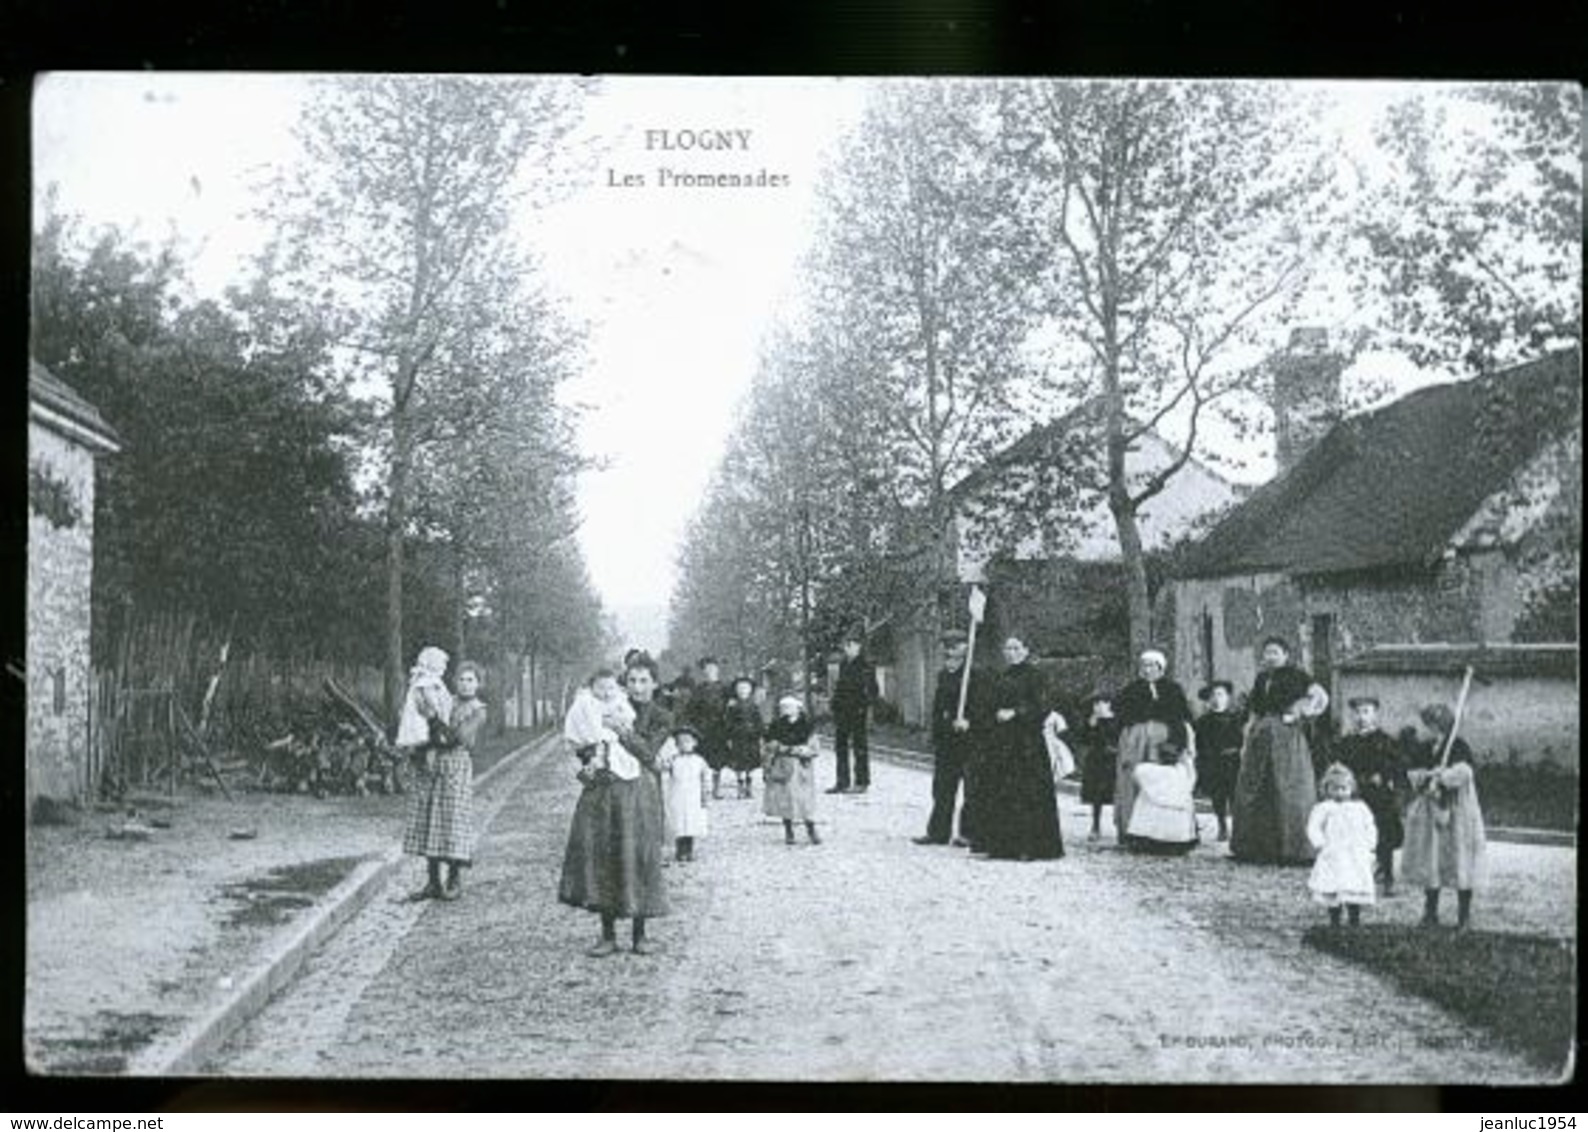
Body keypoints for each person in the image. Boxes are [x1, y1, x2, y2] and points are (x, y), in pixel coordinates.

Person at [558, 655, 672, 956]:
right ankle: (607, 934)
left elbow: (648, 753)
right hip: (605, 789)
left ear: (655, 684)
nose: (637, 687)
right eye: (632, 680)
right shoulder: (601, 702)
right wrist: (591, 758)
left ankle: (640, 933)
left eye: (644, 680)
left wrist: (621, 730)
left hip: (639, 791)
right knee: (603, 854)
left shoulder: (661, 716)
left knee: (638, 855)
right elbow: (582, 742)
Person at [1229, 636, 1329, 865]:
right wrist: (1249, 732)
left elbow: (1320, 696)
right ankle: (1257, 848)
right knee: (1257, 786)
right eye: (1267, 653)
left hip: (1286, 736)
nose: (1271, 657)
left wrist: (1299, 713)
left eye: (1275, 652)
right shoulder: (1262, 678)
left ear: (1285, 655)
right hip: (1261, 737)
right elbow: (1255, 708)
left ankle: (1293, 849)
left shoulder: (1297, 676)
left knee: (1288, 787)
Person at [401, 655, 486, 901]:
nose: (465, 684)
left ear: (478, 683)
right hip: (433, 764)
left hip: (456, 765)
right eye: (461, 679)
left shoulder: (478, 711)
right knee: (429, 818)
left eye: (471, 680)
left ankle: (454, 879)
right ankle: (432, 881)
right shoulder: (445, 698)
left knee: (452, 821)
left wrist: (432, 719)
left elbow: (454, 738)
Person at [1402, 703, 1487, 930]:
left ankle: (1464, 916)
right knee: (1432, 860)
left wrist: (1443, 777)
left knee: (1460, 859)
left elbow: (1465, 773)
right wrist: (1425, 776)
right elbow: (1413, 772)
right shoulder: (1425, 748)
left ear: (1438, 726)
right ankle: (1430, 912)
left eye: (1427, 726)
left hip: (1457, 811)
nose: (1424, 730)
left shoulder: (1458, 746)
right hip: (1431, 810)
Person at [979, 636, 1064, 861]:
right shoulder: (1002, 676)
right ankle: (1002, 846)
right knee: (1003, 791)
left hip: (1027, 743)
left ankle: (1030, 847)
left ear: (1026, 650)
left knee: (1028, 793)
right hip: (1003, 742)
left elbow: (1043, 705)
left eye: (1016, 648)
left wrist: (1016, 712)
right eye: (1007, 648)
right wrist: (994, 714)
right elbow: (990, 703)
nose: (1011, 652)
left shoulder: (1036, 676)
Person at [914, 629, 991, 847]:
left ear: (965, 648)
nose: (950, 651)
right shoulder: (943, 676)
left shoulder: (975, 676)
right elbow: (939, 708)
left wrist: (970, 721)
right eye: (947, 647)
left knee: (971, 789)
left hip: (969, 740)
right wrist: (934, 732)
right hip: (947, 740)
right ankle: (938, 832)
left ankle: (968, 832)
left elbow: (984, 708)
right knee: (942, 788)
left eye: (956, 646)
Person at [1114, 649, 1194, 840]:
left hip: (1163, 740)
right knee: (1132, 779)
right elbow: (1121, 716)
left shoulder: (1172, 689)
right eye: (1144, 665)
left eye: (1152, 665)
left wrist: (1176, 744)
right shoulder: (1131, 690)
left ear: (1161, 668)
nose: (1147, 670)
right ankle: (1130, 829)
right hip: (1135, 739)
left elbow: (1180, 718)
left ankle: (1163, 832)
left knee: (1162, 782)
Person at [1333, 695, 1408, 895]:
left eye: (1366, 712)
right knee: (1351, 834)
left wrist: (1384, 776)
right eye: (1357, 712)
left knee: (1383, 834)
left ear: (1375, 714)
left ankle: (1387, 876)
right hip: (1355, 793)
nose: (1361, 717)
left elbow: (1398, 766)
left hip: (1379, 796)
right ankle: (1352, 876)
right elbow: (1339, 766)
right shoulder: (1347, 742)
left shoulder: (1385, 741)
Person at [1307, 762, 1378, 928]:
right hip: (1334, 852)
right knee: (1333, 884)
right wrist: (1320, 843)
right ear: (1327, 789)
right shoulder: (1324, 808)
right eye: (1335, 788)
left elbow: (1369, 825)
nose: (1340, 792)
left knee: (1354, 883)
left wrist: (1370, 845)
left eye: (1343, 788)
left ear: (1351, 788)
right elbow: (1313, 827)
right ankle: (1335, 919)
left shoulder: (1360, 808)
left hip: (1355, 853)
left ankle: (1354, 917)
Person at [763, 694, 823, 845]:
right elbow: (769, 745)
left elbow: (814, 748)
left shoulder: (807, 726)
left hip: (802, 767)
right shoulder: (776, 726)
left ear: (798, 708)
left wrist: (803, 750)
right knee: (785, 799)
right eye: (783, 707)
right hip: (783, 765)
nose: (786, 709)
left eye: (790, 706)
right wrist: (780, 749)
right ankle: (789, 831)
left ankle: (811, 829)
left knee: (804, 799)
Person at [1123, 739, 1199, 855]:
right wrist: (1187, 760)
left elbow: (1135, 772)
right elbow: (1192, 776)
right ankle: (1173, 840)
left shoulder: (1148, 770)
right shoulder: (1182, 772)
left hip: (1148, 833)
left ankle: (1147, 838)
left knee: (1144, 799)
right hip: (1177, 835)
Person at [563, 668, 640, 783]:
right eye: (601, 688)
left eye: (611, 688)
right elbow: (590, 722)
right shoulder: (587, 701)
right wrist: (602, 732)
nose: (607, 692)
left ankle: (606, 768)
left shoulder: (617, 699)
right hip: (585, 737)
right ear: (591, 687)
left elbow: (629, 715)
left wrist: (620, 719)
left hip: (604, 737)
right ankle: (593, 768)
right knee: (601, 750)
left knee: (619, 754)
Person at [1194, 680, 1245, 843]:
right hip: (1213, 763)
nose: (1217, 699)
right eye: (1213, 696)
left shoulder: (1237, 719)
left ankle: (1238, 828)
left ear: (1228, 697)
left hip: (1234, 762)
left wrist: (1237, 750)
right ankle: (1222, 826)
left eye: (1220, 694)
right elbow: (1200, 743)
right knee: (1218, 796)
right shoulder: (1203, 722)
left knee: (1236, 795)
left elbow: (1242, 740)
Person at [828, 631, 878, 794]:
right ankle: (842, 782)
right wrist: (835, 705)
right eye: (846, 645)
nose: (848, 648)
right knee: (840, 746)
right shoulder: (843, 664)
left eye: (852, 645)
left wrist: (864, 706)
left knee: (859, 746)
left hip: (857, 711)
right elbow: (840, 687)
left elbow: (873, 690)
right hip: (842, 711)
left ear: (859, 646)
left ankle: (861, 782)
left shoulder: (866, 665)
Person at [659, 724, 710, 863]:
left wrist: (705, 794)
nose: (684, 745)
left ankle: (689, 850)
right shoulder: (674, 760)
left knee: (692, 823)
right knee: (679, 822)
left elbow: (705, 777)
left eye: (688, 741)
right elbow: (663, 771)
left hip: (693, 796)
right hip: (678, 795)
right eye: (681, 742)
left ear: (695, 743)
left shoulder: (699, 761)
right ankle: (680, 850)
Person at [1075, 692, 1122, 843]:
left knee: (1119, 794)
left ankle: (1122, 828)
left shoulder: (1117, 720)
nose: (1097, 707)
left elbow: (1120, 738)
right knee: (1096, 796)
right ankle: (1095, 826)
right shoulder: (1092, 720)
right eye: (1095, 704)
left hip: (1115, 760)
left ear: (1108, 704)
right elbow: (1083, 739)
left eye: (1100, 703)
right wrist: (1091, 725)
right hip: (1097, 760)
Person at [681, 657, 730, 799]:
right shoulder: (699, 689)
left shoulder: (724, 688)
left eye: (713, 668)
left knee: (717, 759)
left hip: (719, 727)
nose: (710, 671)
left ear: (717, 670)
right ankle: (702, 788)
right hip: (703, 728)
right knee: (703, 758)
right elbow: (691, 709)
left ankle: (716, 789)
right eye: (707, 669)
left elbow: (731, 706)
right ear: (703, 671)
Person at [720, 675, 765, 799]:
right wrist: (729, 735)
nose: (743, 691)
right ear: (736, 691)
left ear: (750, 690)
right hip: (738, 737)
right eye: (740, 689)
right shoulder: (732, 706)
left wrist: (760, 733)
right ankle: (740, 787)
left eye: (745, 688)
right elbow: (728, 722)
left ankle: (749, 787)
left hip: (751, 737)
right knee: (739, 762)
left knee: (751, 762)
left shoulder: (754, 706)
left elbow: (759, 721)